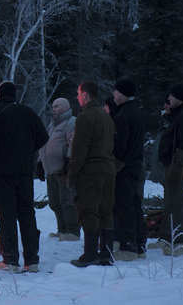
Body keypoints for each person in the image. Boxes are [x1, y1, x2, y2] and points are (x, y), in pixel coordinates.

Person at [0, 81, 48, 273]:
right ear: (15, 95)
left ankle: (10, 259)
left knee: (7, 214)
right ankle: (32, 259)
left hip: (1, 171)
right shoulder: (27, 113)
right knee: (27, 213)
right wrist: (27, 151)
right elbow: (43, 137)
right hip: (24, 170)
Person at [68, 81, 116, 267]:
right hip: (108, 169)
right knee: (106, 210)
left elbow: (79, 150)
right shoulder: (106, 117)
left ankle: (89, 254)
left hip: (91, 171)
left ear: (86, 95)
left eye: (79, 94)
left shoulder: (85, 117)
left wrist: (72, 174)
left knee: (89, 210)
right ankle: (106, 253)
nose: (78, 97)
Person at [109, 78, 146, 261]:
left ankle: (128, 245)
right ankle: (139, 244)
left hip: (124, 167)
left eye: (116, 92)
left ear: (122, 93)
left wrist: (114, 160)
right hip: (135, 165)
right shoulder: (136, 112)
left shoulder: (123, 115)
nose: (113, 95)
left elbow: (120, 145)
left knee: (124, 206)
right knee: (134, 204)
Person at [157, 84, 183, 254]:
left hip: (180, 164)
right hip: (174, 163)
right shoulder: (179, 115)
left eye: (171, 96)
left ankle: (182, 240)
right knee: (172, 200)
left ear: (179, 98)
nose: (168, 99)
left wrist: (178, 166)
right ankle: (169, 237)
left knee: (178, 200)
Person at [37, 97, 79, 241]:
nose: (54, 109)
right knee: (55, 202)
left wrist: (68, 162)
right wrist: (39, 163)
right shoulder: (52, 124)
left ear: (65, 107)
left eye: (57, 106)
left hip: (63, 169)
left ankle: (72, 231)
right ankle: (62, 229)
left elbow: (73, 143)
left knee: (67, 201)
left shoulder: (71, 122)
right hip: (50, 170)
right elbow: (45, 144)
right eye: (53, 106)